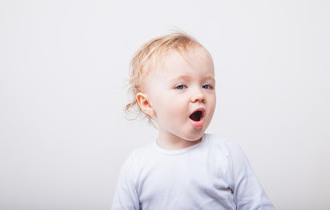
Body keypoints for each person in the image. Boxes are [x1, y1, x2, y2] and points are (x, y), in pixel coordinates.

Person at [111, 32, 275, 210]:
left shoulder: (227, 156)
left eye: (207, 86)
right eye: (181, 86)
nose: (199, 95)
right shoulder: (137, 165)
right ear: (148, 103)